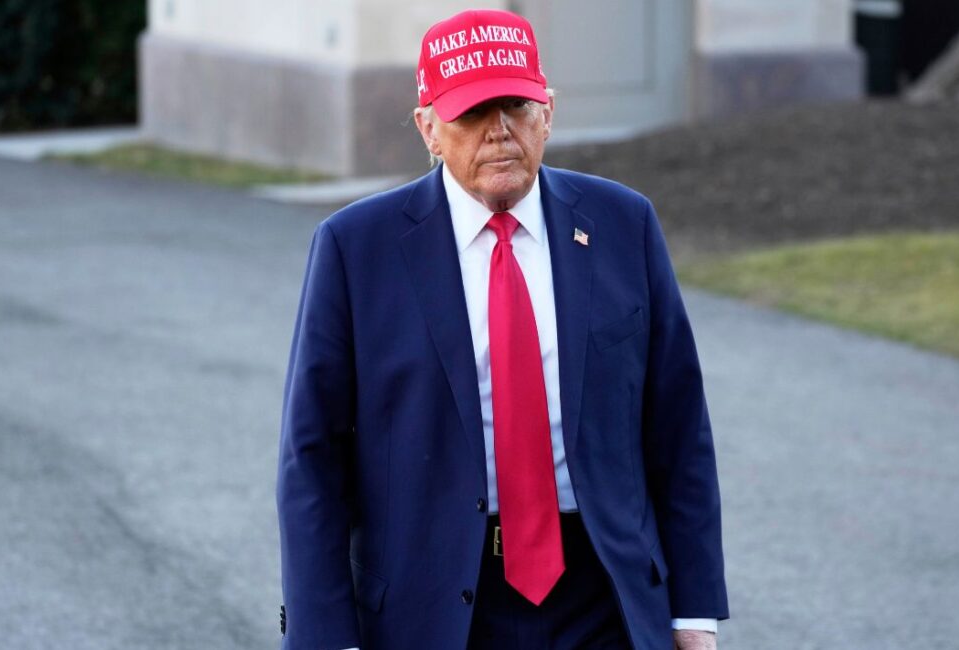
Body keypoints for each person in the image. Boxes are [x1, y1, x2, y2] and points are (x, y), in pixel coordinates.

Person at [277, 8, 728, 650]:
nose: (499, 132)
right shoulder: (356, 250)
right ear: (429, 129)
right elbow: (312, 457)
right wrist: (324, 636)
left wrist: (693, 614)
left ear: (548, 113)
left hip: (606, 598)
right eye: (472, 113)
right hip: (431, 607)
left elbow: (679, 430)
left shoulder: (623, 225)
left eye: (516, 105)